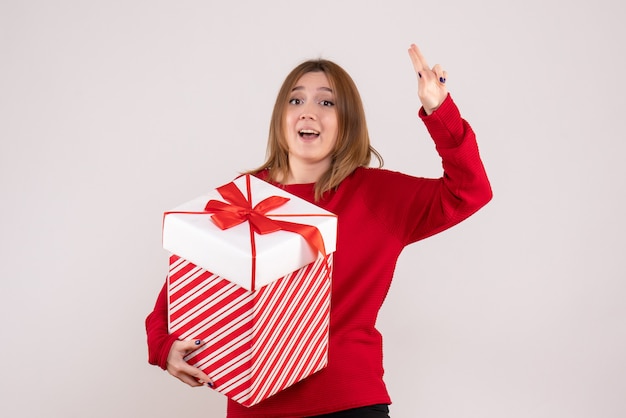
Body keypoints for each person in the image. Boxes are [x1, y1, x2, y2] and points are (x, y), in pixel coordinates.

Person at [146, 43, 492, 417]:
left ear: (348, 121)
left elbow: (469, 191)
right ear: (281, 117)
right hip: (255, 405)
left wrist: (440, 112)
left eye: (327, 103)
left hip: (349, 402)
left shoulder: (377, 195)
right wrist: (162, 345)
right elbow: (189, 280)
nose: (308, 111)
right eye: (295, 101)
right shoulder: (243, 195)